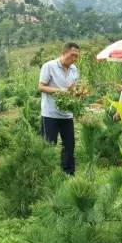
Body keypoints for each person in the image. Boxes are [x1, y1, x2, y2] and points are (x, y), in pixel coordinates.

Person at [38, 42, 80, 175]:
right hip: (50, 114)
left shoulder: (74, 69)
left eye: (76, 56)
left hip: (67, 114)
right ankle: (46, 172)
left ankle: (68, 173)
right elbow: (41, 87)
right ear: (64, 53)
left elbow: (72, 89)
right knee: (49, 144)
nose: (74, 59)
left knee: (69, 145)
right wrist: (60, 91)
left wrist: (77, 93)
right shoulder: (49, 66)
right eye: (72, 55)